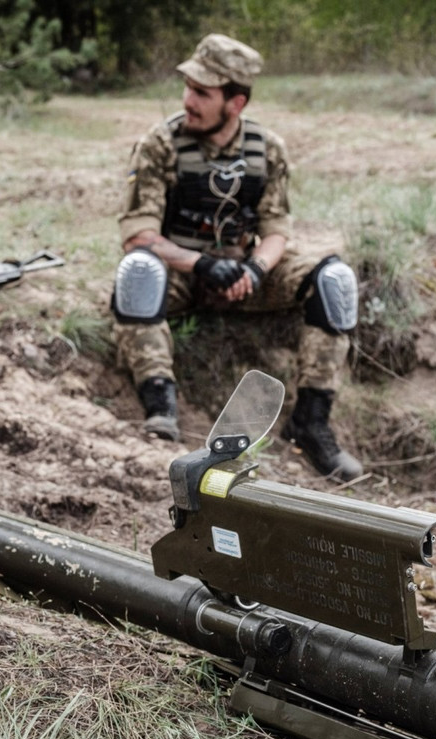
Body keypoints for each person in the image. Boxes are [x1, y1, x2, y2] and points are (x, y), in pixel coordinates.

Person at [110, 33, 363, 482]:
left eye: (202, 93)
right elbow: (138, 235)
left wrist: (255, 269)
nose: (188, 100)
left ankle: (311, 422)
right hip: (182, 274)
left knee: (335, 280)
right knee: (138, 272)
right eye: (188, 87)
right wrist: (202, 264)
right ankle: (160, 406)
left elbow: (277, 230)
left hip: (246, 273)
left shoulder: (267, 149)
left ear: (236, 103)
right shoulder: (160, 144)